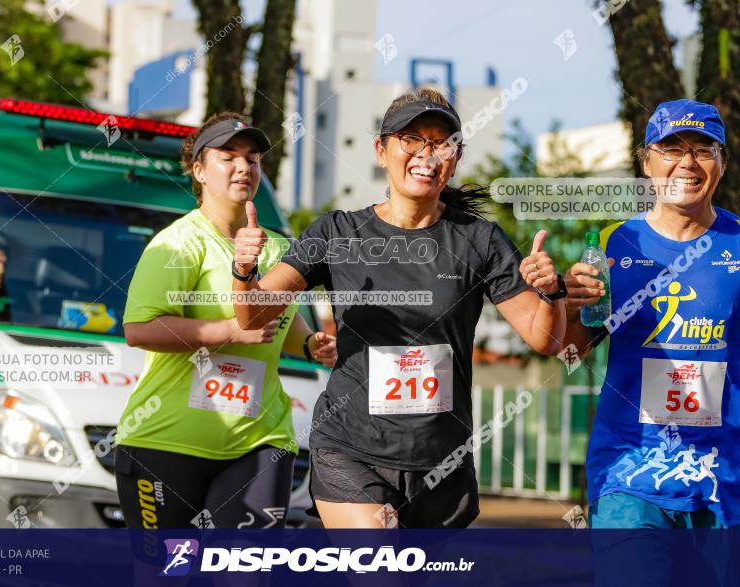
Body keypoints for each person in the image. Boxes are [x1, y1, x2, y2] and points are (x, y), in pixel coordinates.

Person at [233, 88, 566, 528]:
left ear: (457, 155)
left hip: (441, 460)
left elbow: (545, 339)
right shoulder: (337, 233)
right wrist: (243, 269)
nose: (427, 153)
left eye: (442, 142)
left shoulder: (479, 240)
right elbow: (253, 315)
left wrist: (553, 291)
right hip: (350, 448)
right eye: (412, 139)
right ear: (381, 149)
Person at [114, 112, 336, 529]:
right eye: (227, 156)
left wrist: (309, 344)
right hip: (167, 442)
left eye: (252, 159)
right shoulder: (179, 243)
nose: (242, 167)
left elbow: (279, 322)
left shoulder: (280, 248)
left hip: (259, 442)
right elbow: (139, 329)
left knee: (246, 571)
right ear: (198, 170)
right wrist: (229, 332)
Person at [565, 99, 739, 531]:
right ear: (647, 164)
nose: (688, 163)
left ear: (722, 163)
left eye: (702, 149)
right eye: (672, 150)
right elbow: (569, 349)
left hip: (724, 479)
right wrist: (564, 304)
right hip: (630, 473)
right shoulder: (613, 244)